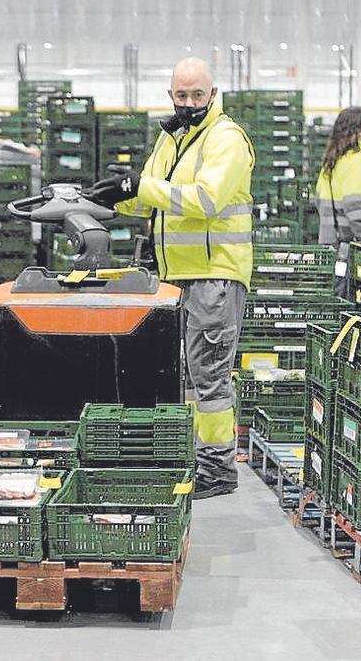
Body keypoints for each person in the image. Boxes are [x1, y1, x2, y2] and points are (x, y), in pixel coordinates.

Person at [85, 57, 255, 500]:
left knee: (210, 378)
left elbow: (205, 199)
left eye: (198, 95)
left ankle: (218, 468)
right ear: (170, 95)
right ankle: (202, 457)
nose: (190, 103)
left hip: (215, 273)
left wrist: (137, 186)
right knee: (192, 375)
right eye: (182, 95)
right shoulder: (172, 139)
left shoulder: (225, 139)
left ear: (213, 94)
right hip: (178, 275)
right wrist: (107, 199)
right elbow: (152, 199)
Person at [314, 106, 361, 298]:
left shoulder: (331, 161)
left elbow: (318, 200)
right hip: (350, 250)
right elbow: (356, 212)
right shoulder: (356, 161)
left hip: (330, 247)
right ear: (357, 130)